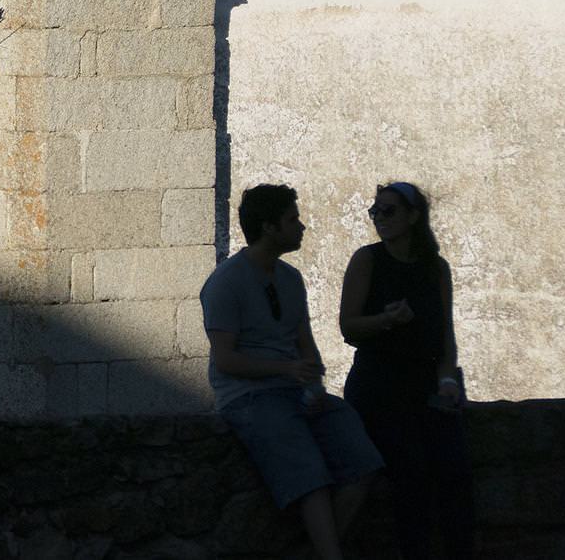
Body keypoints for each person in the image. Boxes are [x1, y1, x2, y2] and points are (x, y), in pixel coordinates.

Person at [203, 183, 383, 560]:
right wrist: (287, 369)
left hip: (295, 393)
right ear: (269, 227)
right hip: (249, 398)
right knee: (311, 478)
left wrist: (315, 385)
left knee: (363, 463)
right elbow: (225, 360)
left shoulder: (290, 279)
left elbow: (304, 341)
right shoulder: (225, 283)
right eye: (292, 219)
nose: (301, 226)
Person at [339, 181, 477, 560]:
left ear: (413, 217)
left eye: (388, 211)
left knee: (456, 474)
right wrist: (384, 320)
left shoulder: (436, 270)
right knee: (410, 475)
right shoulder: (367, 260)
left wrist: (448, 381)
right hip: (379, 387)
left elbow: (445, 335)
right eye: (375, 211)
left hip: (425, 387)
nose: (379, 218)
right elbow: (349, 327)